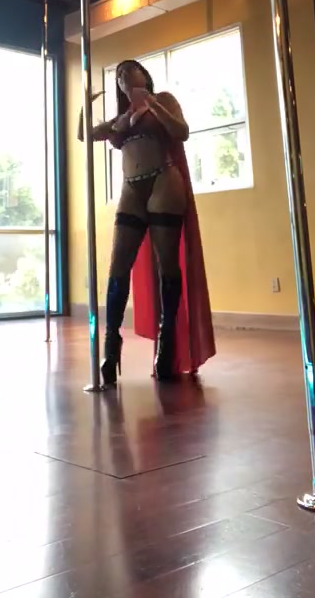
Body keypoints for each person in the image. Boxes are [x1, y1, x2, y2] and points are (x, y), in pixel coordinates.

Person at [78, 59, 215, 387]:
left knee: (167, 263)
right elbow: (85, 135)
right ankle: (111, 347)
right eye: (119, 73)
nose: (123, 74)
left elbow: (181, 131)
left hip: (164, 181)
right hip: (131, 188)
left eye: (130, 69)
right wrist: (85, 105)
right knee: (117, 266)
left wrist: (152, 104)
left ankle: (167, 343)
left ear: (144, 75)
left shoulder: (163, 99)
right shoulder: (120, 118)